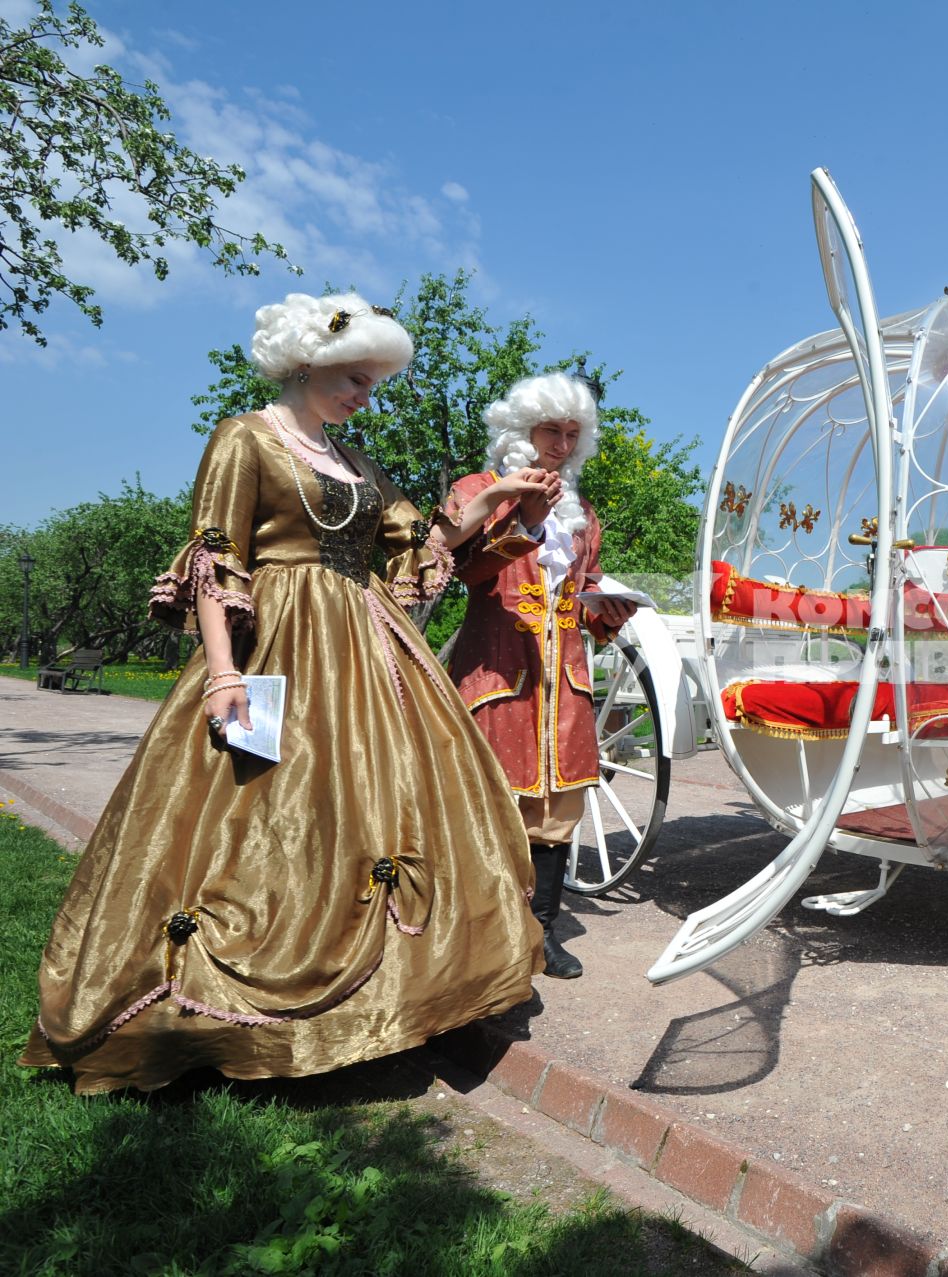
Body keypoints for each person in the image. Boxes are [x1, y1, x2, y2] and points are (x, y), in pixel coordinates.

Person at [21, 293, 551, 1094]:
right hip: (277, 645)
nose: (362, 394)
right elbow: (215, 554)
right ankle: (225, 1009)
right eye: (354, 377)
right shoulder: (245, 438)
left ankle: (390, 1004)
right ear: (307, 361)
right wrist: (225, 671)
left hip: (367, 651)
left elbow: (418, 545)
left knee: (373, 806)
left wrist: (490, 504)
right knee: (264, 809)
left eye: (372, 382)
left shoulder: (355, 460)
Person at [444, 372, 638, 979]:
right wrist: (523, 521)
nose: (561, 443)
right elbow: (465, 571)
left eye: (572, 434)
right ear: (521, 430)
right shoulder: (477, 490)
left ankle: (541, 932)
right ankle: (481, 939)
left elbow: (582, 586)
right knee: (493, 805)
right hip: (497, 669)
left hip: (565, 678)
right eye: (551, 430)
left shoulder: (583, 514)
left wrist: (605, 606)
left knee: (557, 813)